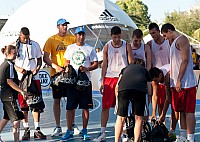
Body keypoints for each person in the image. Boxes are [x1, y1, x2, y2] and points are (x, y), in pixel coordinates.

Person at [93, 26, 134, 142]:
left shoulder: (126, 45)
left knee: (123, 108)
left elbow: (131, 62)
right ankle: (102, 133)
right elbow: (104, 64)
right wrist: (102, 80)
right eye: (115, 37)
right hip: (109, 79)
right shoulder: (107, 47)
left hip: (123, 78)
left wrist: (129, 77)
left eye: (118, 37)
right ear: (111, 36)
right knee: (105, 107)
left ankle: (124, 133)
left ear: (121, 35)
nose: (117, 39)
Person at [60, 27, 98, 141]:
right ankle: (69, 130)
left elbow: (95, 64)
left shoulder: (90, 49)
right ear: (75, 35)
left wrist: (87, 68)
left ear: (85, 36)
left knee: (85, 107)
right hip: (72, 81)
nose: (81, 37)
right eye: (79, 35)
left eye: (82, 35)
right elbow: (66, 61)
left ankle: (85, 130)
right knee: (70, 107)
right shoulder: (70, 48)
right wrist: (67, 68)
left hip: (85, 81)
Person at [161, 23, 197, 142]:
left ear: (170, 31)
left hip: (186, 83)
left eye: (165, 35)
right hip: (177, 83)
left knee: (189, 111)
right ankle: (182, 135)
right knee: (180, 110)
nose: (165, 38)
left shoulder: (182, 40)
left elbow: (185, 60)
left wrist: (179, 79)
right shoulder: (173, 42)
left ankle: (190, 138)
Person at [43, 18, 79, 137]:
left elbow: (77, 52)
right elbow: (46, 57)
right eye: (63, 25)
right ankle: (58, 126)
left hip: (69, 74)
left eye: (66, 25)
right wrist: (55, 66)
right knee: (57, 100)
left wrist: (70, 65)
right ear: (58, 26)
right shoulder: (51, 40)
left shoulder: (72, 38)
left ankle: (72, 125)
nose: (65, 27)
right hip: (57, 74)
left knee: (71, 100)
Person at [14, 27, 46, 140]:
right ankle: (26, 129)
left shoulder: (35, 45)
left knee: (36, 104)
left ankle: (37, 129)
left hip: (34, 78)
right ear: (20, 35)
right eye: (24, 38)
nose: (26, 39)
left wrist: (37, 68)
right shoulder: (15, 45)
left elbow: (39, 60)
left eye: (27, 38)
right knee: (24, 105)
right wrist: (18, 68)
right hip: (21, 79)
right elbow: (11, 61)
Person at [115, 58, 151, 142]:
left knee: (120, 118)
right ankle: (136, 141)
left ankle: (116, 141)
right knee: (139, 118)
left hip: (123, 89)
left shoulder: (125, 69)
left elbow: (117, 86)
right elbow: (149, 91)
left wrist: (118, 99)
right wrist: (146, 108)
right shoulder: (145, 70)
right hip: (139, 90)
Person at [0, 45, 28, 142]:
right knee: (16, 119)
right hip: (9, 96)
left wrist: (19, 82)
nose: (16, 55)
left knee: (6, 116)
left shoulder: (3, 64)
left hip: (4, 95)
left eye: (16, 53)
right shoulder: (9, 65)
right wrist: (21, 91)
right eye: (14, 53)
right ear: (7, 54)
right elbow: (9, 81)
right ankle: (17, 140)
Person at [147, 23, 170, 123]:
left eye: (154, 33)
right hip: (156, 75)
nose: (153, 35)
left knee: (168, 101)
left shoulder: (168, 42)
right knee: (156, 98)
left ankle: (170, 126)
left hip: (168, 74)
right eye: (151, 33)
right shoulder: (150, 44)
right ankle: (155, 117)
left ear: (158, 31)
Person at [149, 65, 178, 141]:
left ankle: (172, 131)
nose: (156, 82)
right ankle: (166, 132)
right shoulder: (155, 78)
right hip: (171, 81)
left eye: (156, 80)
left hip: (176, 82)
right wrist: (153, 113)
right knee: (161, 105)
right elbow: (155, 96)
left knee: (175, 109)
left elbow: (168, 98)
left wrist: (163, 114)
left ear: (160, 75)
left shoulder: (167, 77)